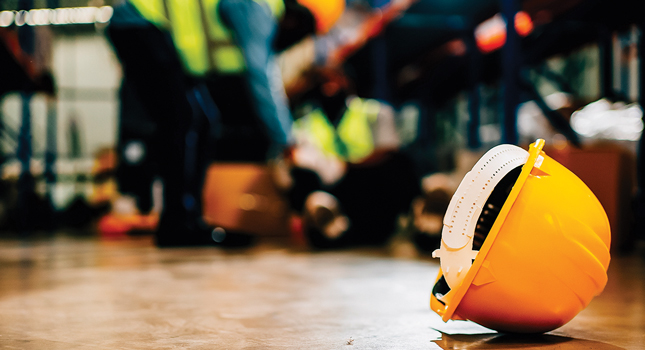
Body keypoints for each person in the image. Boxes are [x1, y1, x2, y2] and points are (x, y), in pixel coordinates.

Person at [105, 0, 344, 246]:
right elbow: (260, 77)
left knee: (202, 119)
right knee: (183, 119)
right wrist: (285, 140)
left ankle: (187, 219)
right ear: (293, 21)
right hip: (140, 18)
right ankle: (178, 224)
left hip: (151, 26)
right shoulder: (255, 8)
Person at [284, 69, 421, 249]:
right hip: (331, 186)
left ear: (349, 80)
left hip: (368, 183)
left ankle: (420, 217)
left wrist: (345, 166)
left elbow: (388, 151)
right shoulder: (305, 122)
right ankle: (325, 217)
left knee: (400, 166)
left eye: (335, 77)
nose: (328, 85)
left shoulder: (375, 112)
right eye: (321, 80)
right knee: (299, 175)